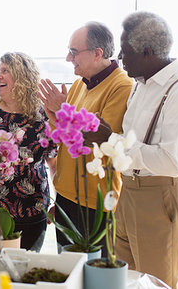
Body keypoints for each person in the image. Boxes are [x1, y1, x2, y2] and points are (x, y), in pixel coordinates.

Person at [113, 11, 178, 289]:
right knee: (125, 280)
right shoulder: (139, 87)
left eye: (125, 50)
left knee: (157, 282)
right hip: (128, 192)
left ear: (147, 52)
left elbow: (171, 161)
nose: (120, 57)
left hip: (160, 195)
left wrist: (114, 141)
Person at [38, 22, 133, 254]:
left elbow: (99, 139)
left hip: (96, 202)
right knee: (68, 271)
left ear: (97, 53)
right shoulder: (81, 83)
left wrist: (63, 110)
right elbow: (65, 136)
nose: (68, 58)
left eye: (73, 52)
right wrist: (55, 116)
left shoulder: (122, 86)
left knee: (92, 275)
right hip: (67, 197)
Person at [0, 52, 58, 251]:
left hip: (33, 211)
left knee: (25, 273)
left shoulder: (43, 115)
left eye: (5, 71)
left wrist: (59, 201)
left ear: (22, 76)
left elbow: (53, 161)